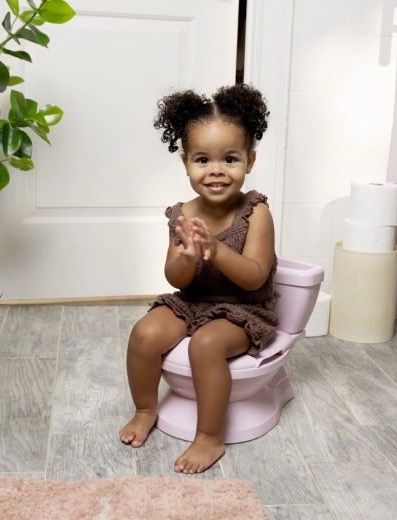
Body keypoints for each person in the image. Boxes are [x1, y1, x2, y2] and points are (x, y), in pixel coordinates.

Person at [119, 84, 278, 474]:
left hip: (243, 310)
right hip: (192, 302)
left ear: (250, 161)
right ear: (186, 163)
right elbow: (174, 277)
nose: (216, 170)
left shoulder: (255, 212)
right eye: (203, 159)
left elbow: (255, 277)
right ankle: (145, 408)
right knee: (143, 334)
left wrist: (218, 250)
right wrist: (188, 258)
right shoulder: (183, 214)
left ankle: (209, 436)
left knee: (206, 344)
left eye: (230, 158)